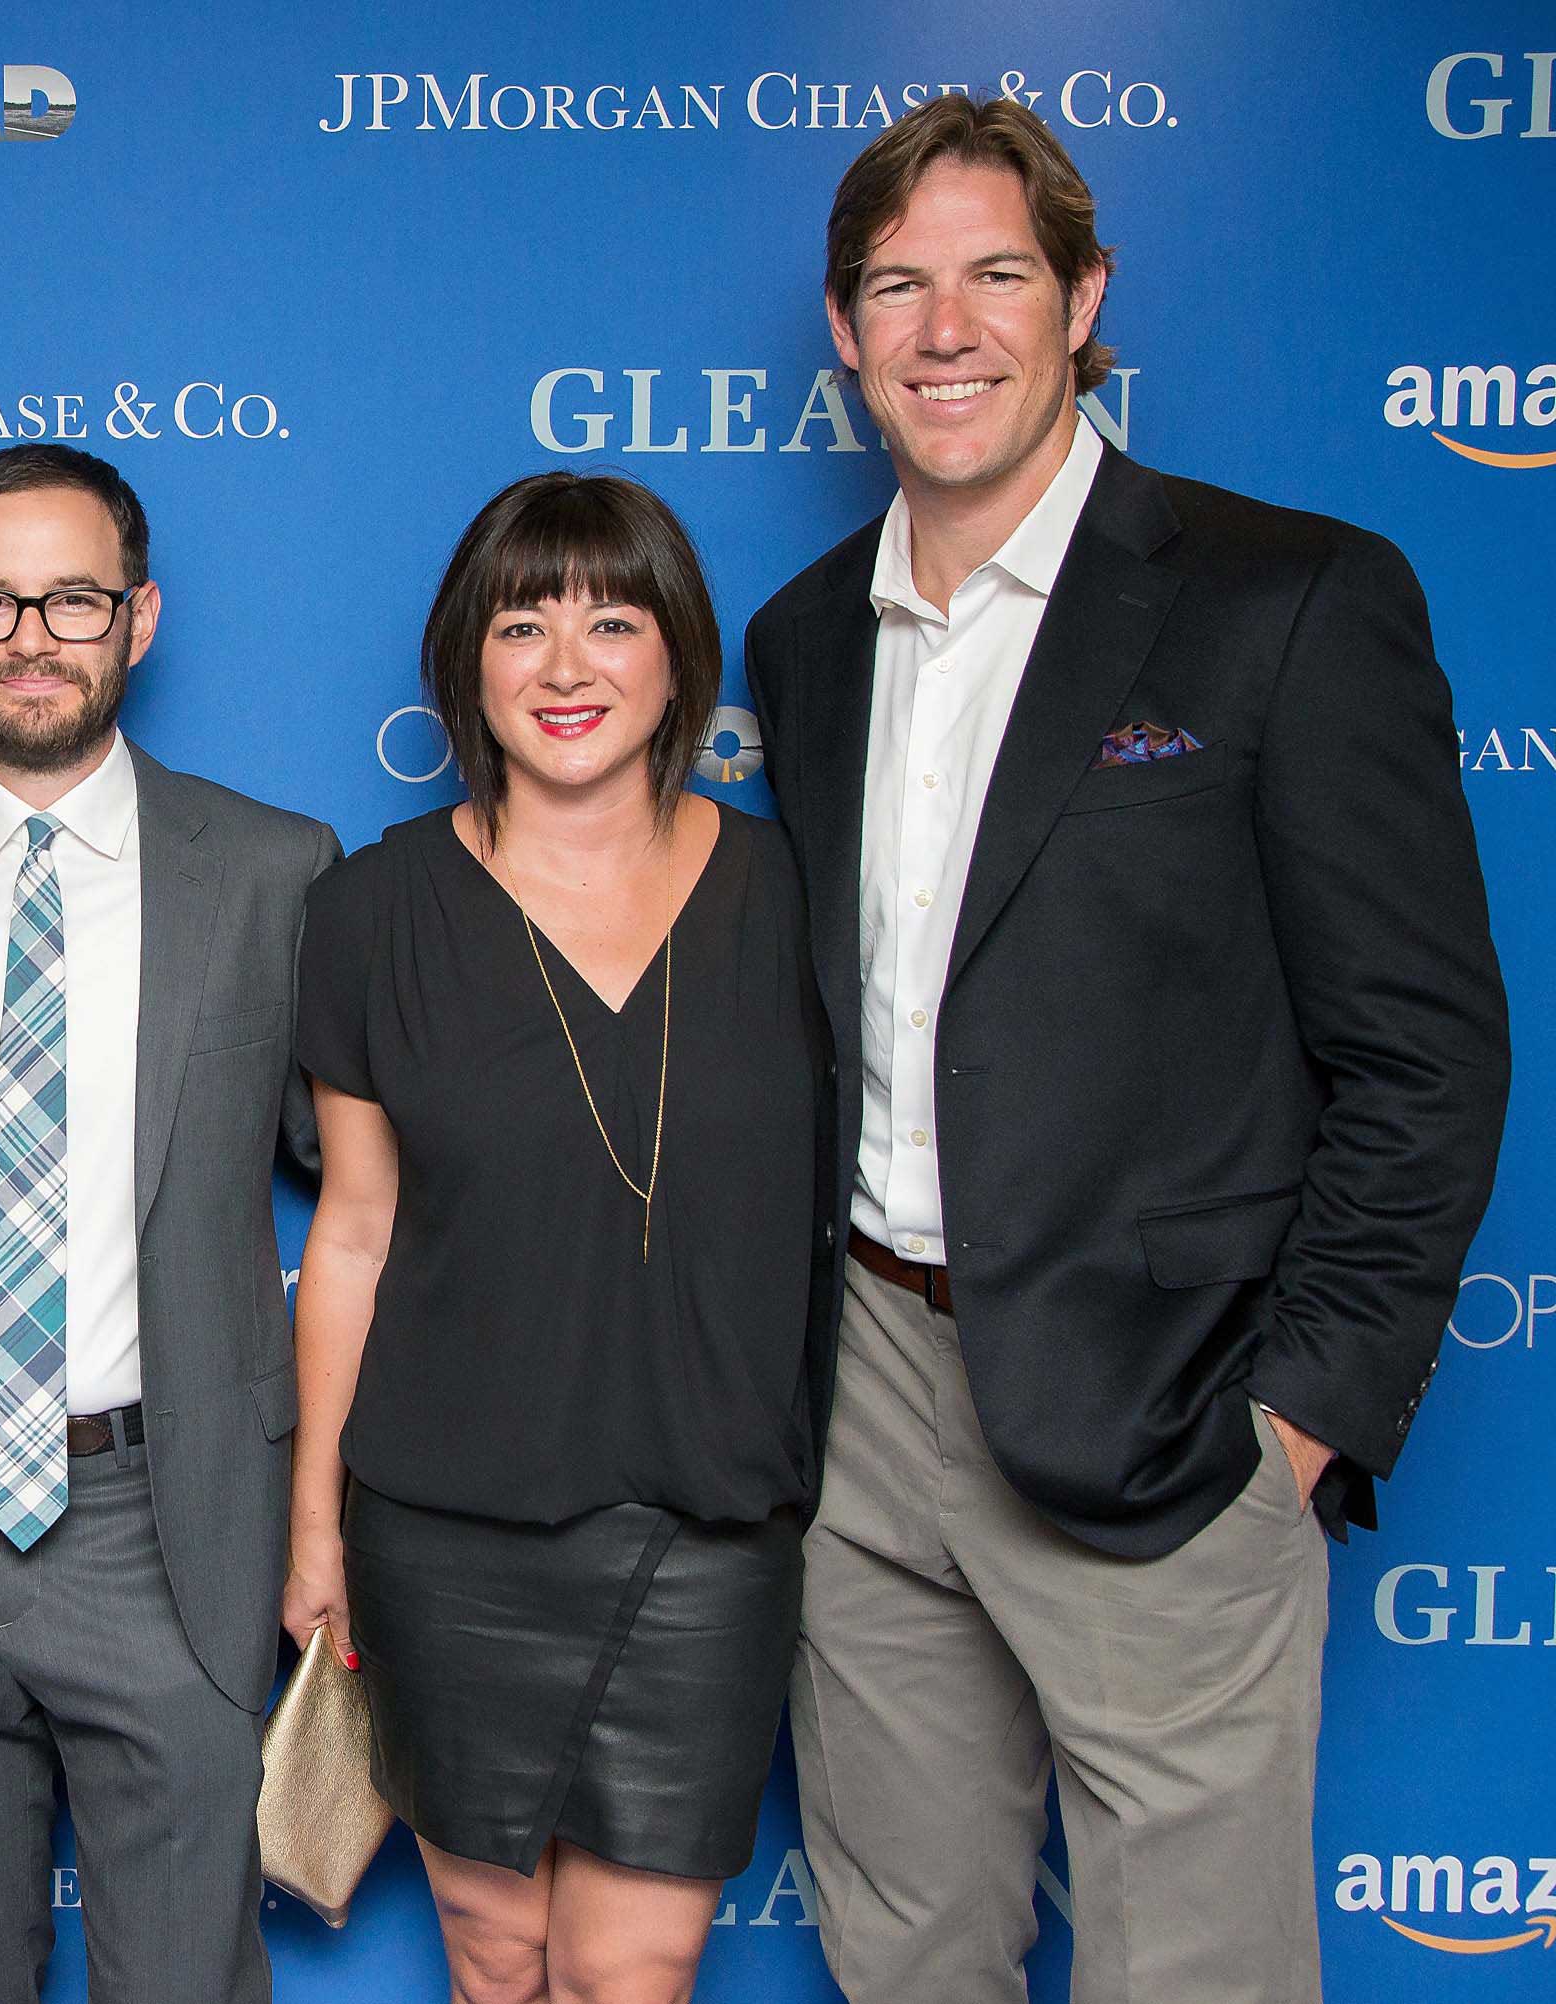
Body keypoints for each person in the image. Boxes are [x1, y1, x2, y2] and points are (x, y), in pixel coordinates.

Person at [743, 96, 1511, 2004]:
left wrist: (1297, 1424)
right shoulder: (804, 638)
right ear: (842, 331)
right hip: (863, 1392)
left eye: (997, 274)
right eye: (897, 286)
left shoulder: (1289, 600)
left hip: (1172, 1409)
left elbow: (1424, 1050)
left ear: (1085, 300)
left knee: (1197, 1974)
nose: (946, 328)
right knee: (908, 1949)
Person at [0, 444, 338, 2004]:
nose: (32, 634)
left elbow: (367, 1198)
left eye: (74, 598)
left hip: (171, 1523)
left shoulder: (278, 874)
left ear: (140, 618)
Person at [284, 473, 824, 2004]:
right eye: (522, 625)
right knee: (494, 1952)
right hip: (445, 1534)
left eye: (612, 620)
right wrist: (315, 1524)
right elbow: (355, 1233)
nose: (568, 667)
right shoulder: (370, 911)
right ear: (469, 661)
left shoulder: (793, 891)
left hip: (709, 1535)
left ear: (678, 657)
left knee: (632, 1969)